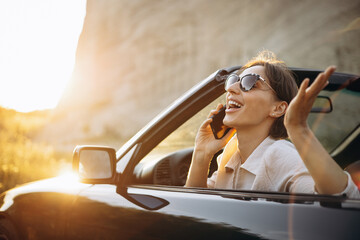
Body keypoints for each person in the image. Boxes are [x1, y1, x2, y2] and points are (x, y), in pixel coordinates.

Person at [185, 50, 359, 197]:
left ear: (278, 109)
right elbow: (196, 208)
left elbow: (344, 200)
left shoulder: (280, 155)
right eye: (233, 81)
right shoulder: (231, 155)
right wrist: (201, 153)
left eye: (249, 83)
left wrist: (299, 130)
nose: (231, 89)